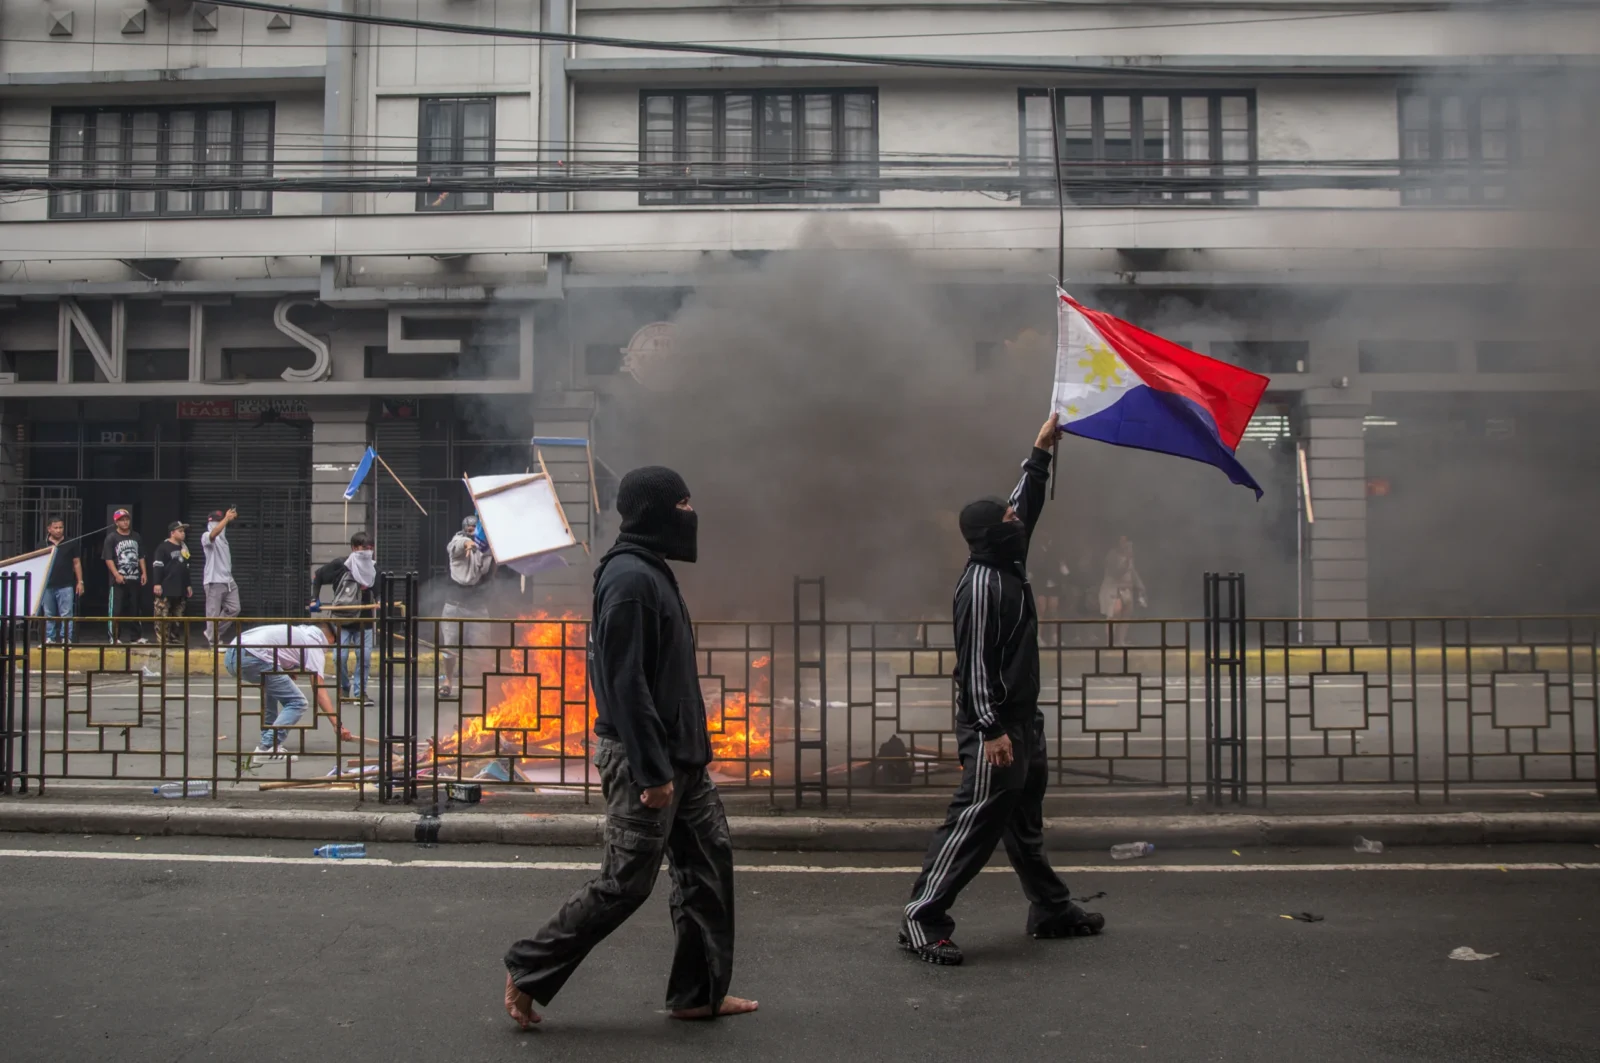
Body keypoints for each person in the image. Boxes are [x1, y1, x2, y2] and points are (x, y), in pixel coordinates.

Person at [502, 466, 756, 1029]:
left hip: (682, 759)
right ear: (656, 512)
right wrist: (651, 773)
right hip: (650, 763)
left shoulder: (651, 572)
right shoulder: (630, 580)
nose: (692, 514)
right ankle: (528, 970)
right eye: (684, 503)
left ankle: (698, 993)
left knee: (707, 870)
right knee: (625, 884)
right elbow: (624, 685)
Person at [900, 414, 1105, 966]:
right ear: (992, 532)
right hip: (995, 724)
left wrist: (1039, 453)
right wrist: (990, 730)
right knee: (974, 822)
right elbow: (974, 665)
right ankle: (922, 918)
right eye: (1009, 519)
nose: (1020, 520)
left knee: (1024, 821)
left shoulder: (1005, 556)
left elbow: (1025, 502)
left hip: (1019, 718)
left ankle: (1050, 908)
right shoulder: (986, 585)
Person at [222, 617, 354, 765]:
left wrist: (285, 669)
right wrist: (337, 724)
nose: (331, 647)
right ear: (329, 637)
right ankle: (267, 748)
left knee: (271, 691)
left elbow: (280, 651)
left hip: (232, 655)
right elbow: (319, 690)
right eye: (334, 642)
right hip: (254, 657)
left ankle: (270, 740)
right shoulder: (314, 645)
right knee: (298, 702)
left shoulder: (301, 632)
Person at [310, 531, 378, 705]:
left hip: (365, 620)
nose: (368, 552)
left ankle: (361, 692)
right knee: (339, 656)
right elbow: (317, 576)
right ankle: (344, 688)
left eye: (371, 548)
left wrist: (379, 601)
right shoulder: (341, 565)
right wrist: (314, 599)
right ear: (354, 548)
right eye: (364, 548)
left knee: (364, 656)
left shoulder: (373, 568)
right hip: (343, 619)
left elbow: (379, 591)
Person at [439, 515, 495, 698]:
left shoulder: (487, 549)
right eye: (470, 530)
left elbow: (488, 574)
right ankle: (447, 680)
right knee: (449, 646)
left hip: (477, 606)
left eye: (476, 530)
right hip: (454, 605)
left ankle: (484, 685)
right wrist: (467, 544)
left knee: (482, 646)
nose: (473, 534)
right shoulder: (458, 541)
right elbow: (457, 545)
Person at [101, 509, 147, 645]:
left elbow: (141, 556)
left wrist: (144, 572)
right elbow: (108, 558)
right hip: (118, 580)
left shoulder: (136, 536)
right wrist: (116, 574)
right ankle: (114, 637)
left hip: (135, 577)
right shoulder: (111, 538)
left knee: (135, 608)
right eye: (122, 519)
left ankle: (136, 637)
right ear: (116, 522)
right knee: (116, 609)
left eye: (127, 519)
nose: (125, 522)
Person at [37, 517, 83, 645]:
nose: (58, 530)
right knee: (48, 613)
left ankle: (66, 638)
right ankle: (49, 638)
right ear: (49, 529)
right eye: (55, 528)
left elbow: (76, 563)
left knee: (66, 613)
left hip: (66, 584)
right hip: (47, 585)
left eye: (61, 527)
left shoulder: (71, 542)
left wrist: (80, 582)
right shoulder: (42, 544)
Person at [150, 521, 194, 646]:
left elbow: (186, 567)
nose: (183, 534)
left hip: (180, 587)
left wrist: (188, 584)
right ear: (172, 533)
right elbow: (157, 566)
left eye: (183, 531)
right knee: (162, 615)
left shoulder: (184, 547)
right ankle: (163, 640)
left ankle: (174, 637)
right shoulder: (163, 547)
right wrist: (157, 583)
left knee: (178, 615)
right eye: (180, 531)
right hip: (166, 586)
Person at [1099, 534, 1146, 648]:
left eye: (1127, 543)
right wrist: (1127, 561)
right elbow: (1116, 573)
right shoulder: (1112, 555)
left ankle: (1121, 641)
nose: (1126, 545)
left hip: (1126, 588)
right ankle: (1109, 642)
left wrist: (1140, 586)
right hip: (1113, 588)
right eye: (1123, 541)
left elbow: (1132, 572)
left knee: (1127, 614)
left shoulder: (1130, 557)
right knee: (1115, 613)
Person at [203, 507, 241, 646]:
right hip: (214, 580)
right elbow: (214, 533)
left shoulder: (224, 540)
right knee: (212, 614)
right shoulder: (207, 535)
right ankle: (213, 641)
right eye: (218, 521)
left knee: (234, 608)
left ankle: (212, 631)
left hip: (228, 580)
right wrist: (226, 519)